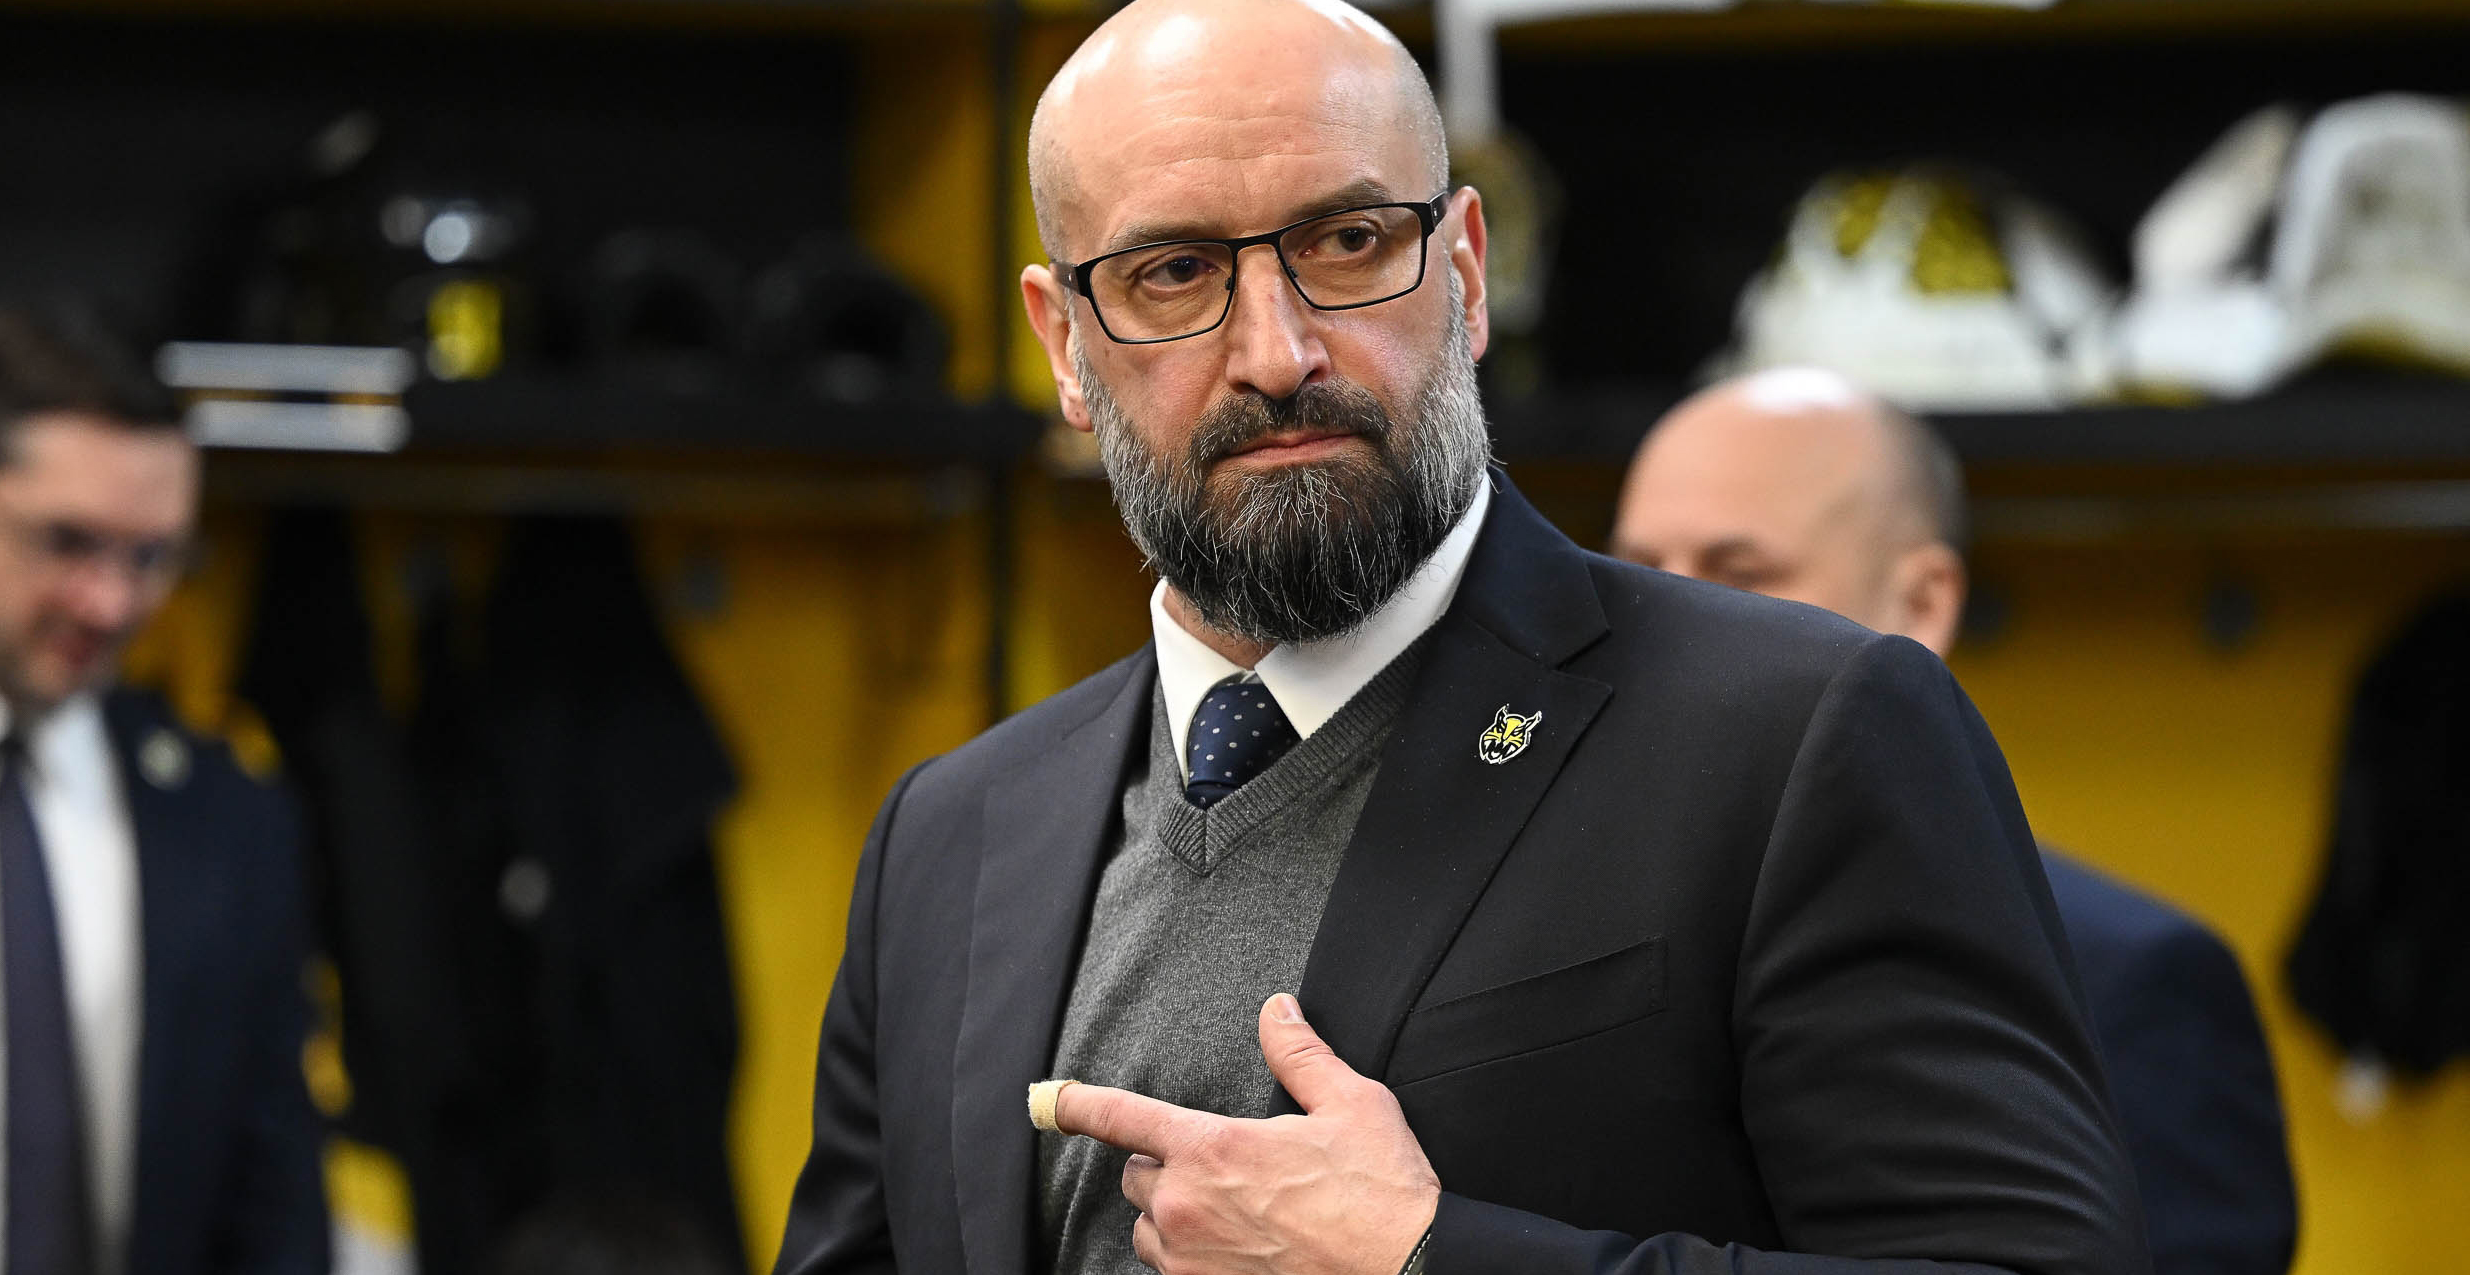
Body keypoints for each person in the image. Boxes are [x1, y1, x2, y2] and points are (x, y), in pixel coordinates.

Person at [775, 2, 2149, 1273]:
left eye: (1348, 242)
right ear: (1065, 345)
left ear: (1468, 271)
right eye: (1174, 272)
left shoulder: (1796, 735)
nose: (1277, 353)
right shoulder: (949, 837)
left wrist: (1423, 1252)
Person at [1610, 365, 2299, 1275]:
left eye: (1741, 574)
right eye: (1632, 574)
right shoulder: (1567, 920)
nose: (1667, 622)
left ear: (1923, 603)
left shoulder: (2130, 983)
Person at [0, 298, 328, 1275]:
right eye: (65, 542)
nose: (110, 602)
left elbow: (271, 1203)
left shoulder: (226, 820)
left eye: (151, 557)